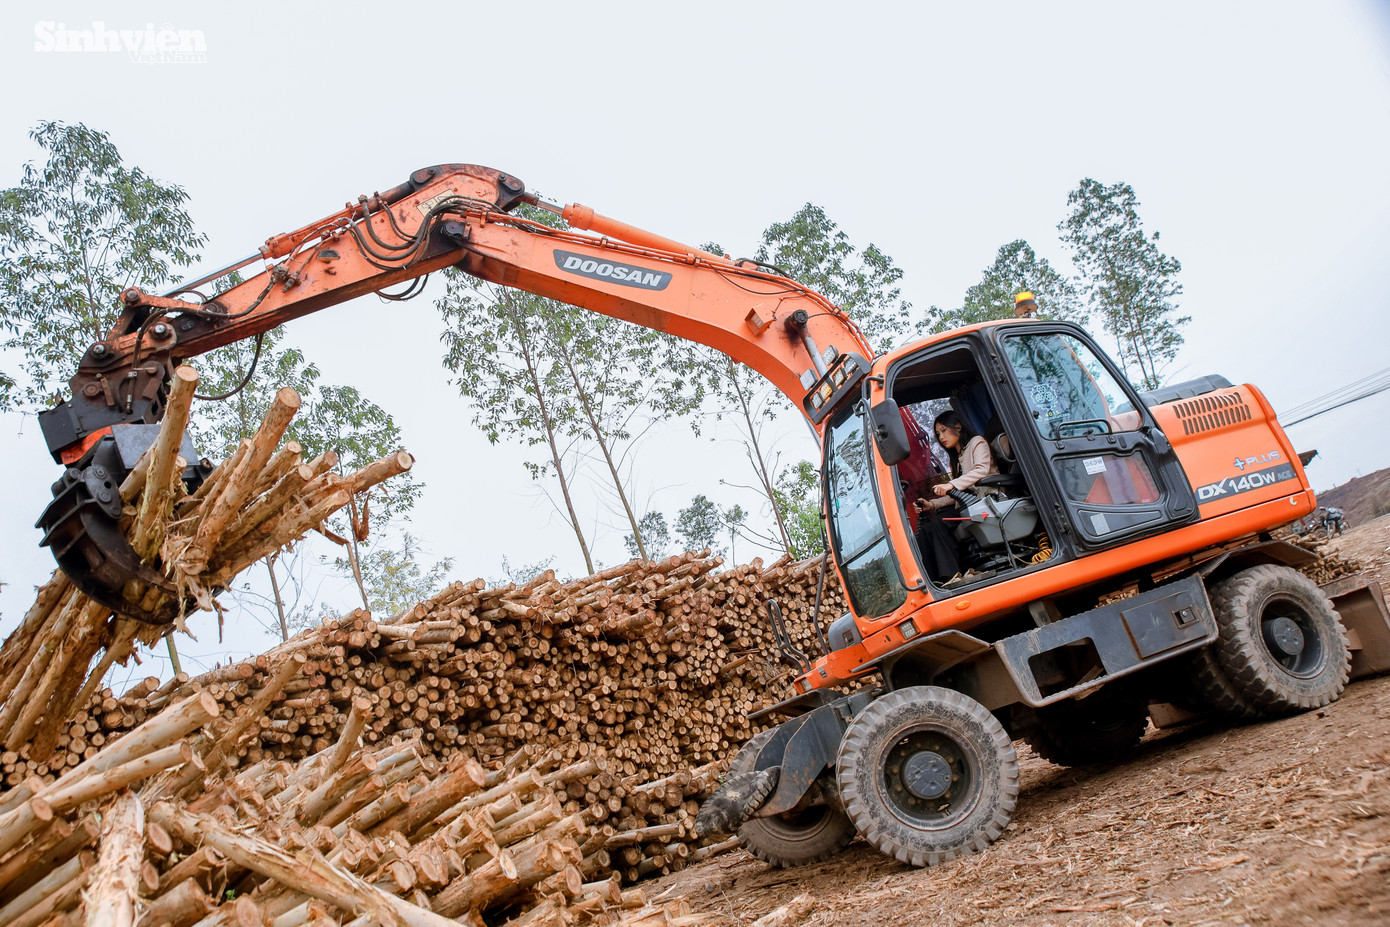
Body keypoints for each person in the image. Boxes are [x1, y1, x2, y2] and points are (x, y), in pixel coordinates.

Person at [912, 411, 998, 585]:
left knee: (938, 524)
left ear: (958, 426)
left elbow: (981, 470)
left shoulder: (977, 442)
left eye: (944, 430)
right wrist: (931, 504)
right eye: (938, 434)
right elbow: (956, 494)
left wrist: (951, 484)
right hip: (967, 505)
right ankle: (932, 581)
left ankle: (951, 575)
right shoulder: (957, 459)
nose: (941, 437)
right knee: (926, 530)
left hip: (985, 502)